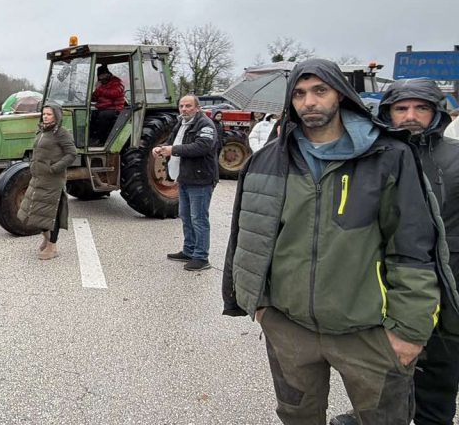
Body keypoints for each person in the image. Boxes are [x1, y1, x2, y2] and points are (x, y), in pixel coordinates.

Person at [221, 59, 458, 425]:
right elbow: (248, 236)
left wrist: (408, 332)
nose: (309, 102)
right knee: (296, 416)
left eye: (320, 91)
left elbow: (412, 247)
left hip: (368, 333)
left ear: (341, 96)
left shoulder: (388, 156)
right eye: (299, 94)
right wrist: (261, 307)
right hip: (289, 328)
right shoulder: (270, 159)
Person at [330, 79, 459, 425]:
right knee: (378, 372)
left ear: (437, 112)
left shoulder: (455, 159)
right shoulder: (369, 158)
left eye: (421, 108)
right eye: (401, 109)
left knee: (435, 386)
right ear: (387, 113)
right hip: (383, 288)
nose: (411, 116)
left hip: (444, 292)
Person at [154, 95, 219, 271]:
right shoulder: (181, 123)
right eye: (181, 106)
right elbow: (172, 142)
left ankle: (201, 257)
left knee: (198, 218)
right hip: (184, 177)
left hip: (201, 179)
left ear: (197, 108)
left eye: (188, 106)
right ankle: (189, 250)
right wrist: (161, 148)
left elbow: (202, 146)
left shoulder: (205, 125)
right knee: (186, 216)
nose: (184, 109)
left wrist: (172, 150)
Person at [17, 102, 76, 260]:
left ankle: (53, 247)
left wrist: (55, 168)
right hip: (38, 178)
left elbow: (71, 154)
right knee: (36, 210)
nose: (45, 116)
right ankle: (46, 237)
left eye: (49, 114)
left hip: (52, 180)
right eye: (44, 114)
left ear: (56, 116)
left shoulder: (61, 133)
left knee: (51, 214)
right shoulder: (42, 131)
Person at [89, 65, 126, 145]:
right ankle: (92, 138)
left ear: (107, 74)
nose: (101, 78)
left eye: (102, 76)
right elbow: (96, 96)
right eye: (99, 76)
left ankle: (102, 140)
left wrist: (99, 88)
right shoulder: (102, 84)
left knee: (103, 116)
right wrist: (92, 96)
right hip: (103, 108)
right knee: (92, 114)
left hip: (114, 109)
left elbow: (114, 93)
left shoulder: (117, 82)